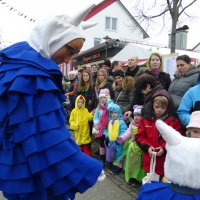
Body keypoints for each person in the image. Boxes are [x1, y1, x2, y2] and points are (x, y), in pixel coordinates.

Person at [0, 5, 104, 200]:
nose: (68, 58)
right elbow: (44, 135)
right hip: (34, 171)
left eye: (74, 53)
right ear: (53, 37)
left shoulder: (15, 66)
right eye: (70, 49)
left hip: (17, 166)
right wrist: (81, 165)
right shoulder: (34, 77)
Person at [137, 119, 200, 200]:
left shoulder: (150, 194)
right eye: (195, 131)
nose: (198, 136)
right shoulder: (179, 144)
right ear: (189, 131)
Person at [135, 89, 183, 179]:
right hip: (149, 158)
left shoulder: (173, 121)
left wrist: (164, 148)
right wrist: (147, 147)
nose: (159, 110)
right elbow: (139, 136)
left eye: (163, 108)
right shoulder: (145, 119)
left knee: (162, 183)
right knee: (149, 181)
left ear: (168, 107)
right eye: (157, 107)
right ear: (152, 105)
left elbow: (177, 139)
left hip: (165, 161)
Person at [116, 105, 146, 186]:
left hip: (140, 147)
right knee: (130, 163)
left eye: (138, 115)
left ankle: (137, 178)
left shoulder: (144, 125)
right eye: (135, 115)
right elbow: (128, 133)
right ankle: (131, 177)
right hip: (132, 147)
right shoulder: (132, 123)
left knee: (139, 164)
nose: (136, 117)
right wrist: (121, 138)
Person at [106, 102, 127, 175]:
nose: (113, 114)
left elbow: (124, 131)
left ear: (118, 113)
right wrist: (107, 136)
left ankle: (119, 167)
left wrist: (120, 138)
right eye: (112, 113)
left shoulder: (121, 122)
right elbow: (109, 130)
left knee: (119, 154)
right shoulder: (111, 121)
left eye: (115, 113)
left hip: (119, 142)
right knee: (113, 154)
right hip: (112, 141)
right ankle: (114, 165)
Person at [93, 88, 112, 166]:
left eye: (105, 97)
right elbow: (96, 116)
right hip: (101, 129)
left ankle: (109, 160)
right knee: (101, 144)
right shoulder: (99, 107)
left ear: (108, 98)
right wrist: (96, 124)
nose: (103, 99)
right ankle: (102, 159)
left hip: (109, 129)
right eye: (101, 98)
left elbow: (114, 116)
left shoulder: (111, 107)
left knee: (108, 145)